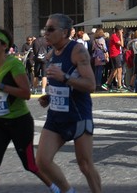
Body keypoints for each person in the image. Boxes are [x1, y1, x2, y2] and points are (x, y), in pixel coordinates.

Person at [0, 28, 58, 193]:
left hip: (19, 122)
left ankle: (55, 188)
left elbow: (25, 93)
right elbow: (2, 95)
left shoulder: (14, 64)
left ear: (4, 46)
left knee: (30, 164)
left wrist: (0, 85)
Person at [35, 14, 102, 193]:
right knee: (42, 161)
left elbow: (90, 85)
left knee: (85, 165)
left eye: (50, 29)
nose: (45, 33)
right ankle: (67, 191)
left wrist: (64, 77)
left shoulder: (77, 50)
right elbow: (58, 83)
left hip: (77, 115)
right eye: (45, 29)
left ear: (64, 32)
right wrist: (49, 96)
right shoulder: (51, 53)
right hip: (56, 115)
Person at [102, 25, 125, 92]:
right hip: (115, 54)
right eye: (121, 31)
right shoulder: (114, 36)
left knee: (114, 70)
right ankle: (119, 86)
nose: (122, 32)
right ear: (119, 31)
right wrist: (121, 36)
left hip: (115, 54)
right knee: (119, 70)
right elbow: (122, 44)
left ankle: (107, 84)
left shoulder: (114, 36)